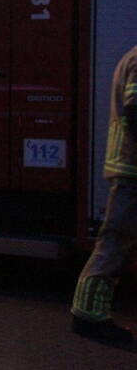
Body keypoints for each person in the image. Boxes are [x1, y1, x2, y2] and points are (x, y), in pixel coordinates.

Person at [70, 44, 137, 344]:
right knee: (114, 243)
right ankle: (87, 316)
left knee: (116, 242)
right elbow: (135, 111)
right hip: (132, 169)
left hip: (129, 168)